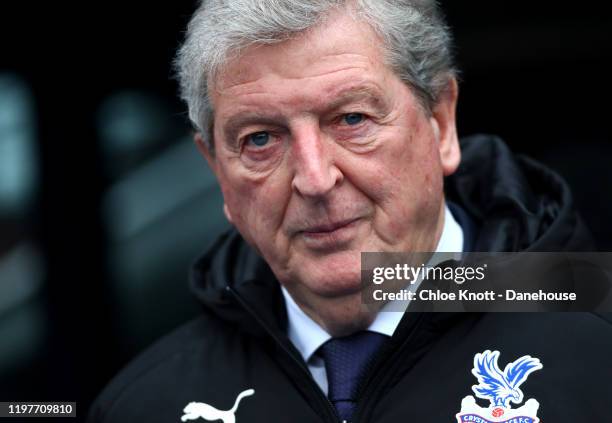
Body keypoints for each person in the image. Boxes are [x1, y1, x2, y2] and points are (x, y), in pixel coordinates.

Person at [88, 1, 612, 422]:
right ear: (217, 170)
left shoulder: (595, 341)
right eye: (261, 139)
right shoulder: (144, 404)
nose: (315, 179)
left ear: (442, 122)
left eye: (352, 118)